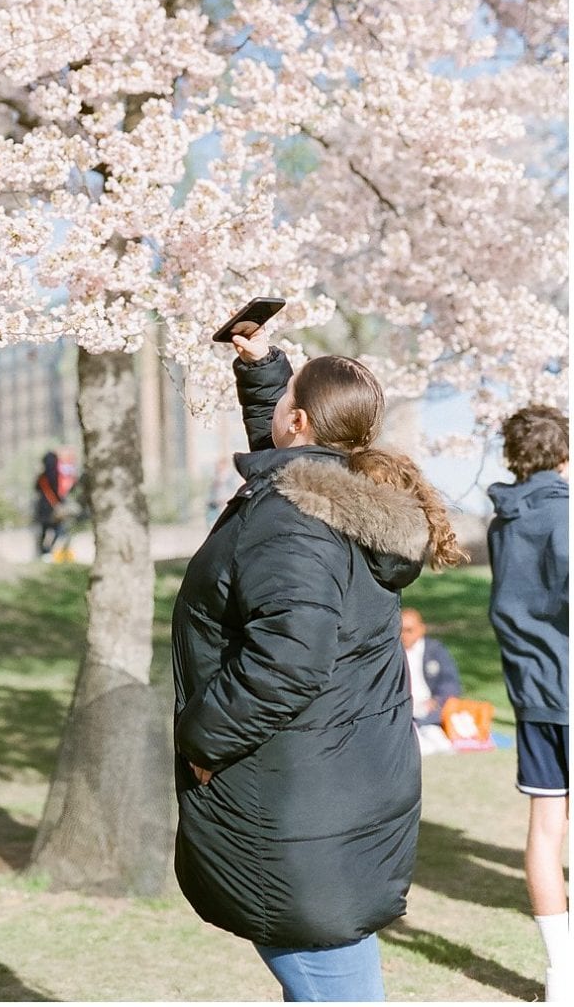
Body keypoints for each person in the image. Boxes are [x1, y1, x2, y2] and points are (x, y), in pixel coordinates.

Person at [171, 322, 465, 1002]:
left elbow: (290, 659)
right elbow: (290, 464)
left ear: (299, 421)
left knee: (335, 990)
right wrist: (264, 372)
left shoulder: (292, 519)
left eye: (283, 404)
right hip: (339, 787)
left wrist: (204, 739)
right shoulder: (336, 501)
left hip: (301, 806)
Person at [487, 405, 569, 1002]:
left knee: (545, 830)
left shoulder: (502, 523)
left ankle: (561, 976)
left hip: (534, 694)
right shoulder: (564, 517)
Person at [399, 607, 463, 728]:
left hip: (429, 708)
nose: (404, 635)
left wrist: (437, 700)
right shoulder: (390, 653)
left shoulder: (435, 650)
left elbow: (450, 682)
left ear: (421, 629)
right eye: (400, 630)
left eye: (409, 630)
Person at [32, 451, 72, 559]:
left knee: (44, 531)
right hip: (55, 507)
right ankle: (49, 550)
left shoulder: (42, 476)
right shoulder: (58, 475)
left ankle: (44, 552)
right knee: (58, 530)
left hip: (43, 508)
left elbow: (36, 488)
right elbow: (62, 491)